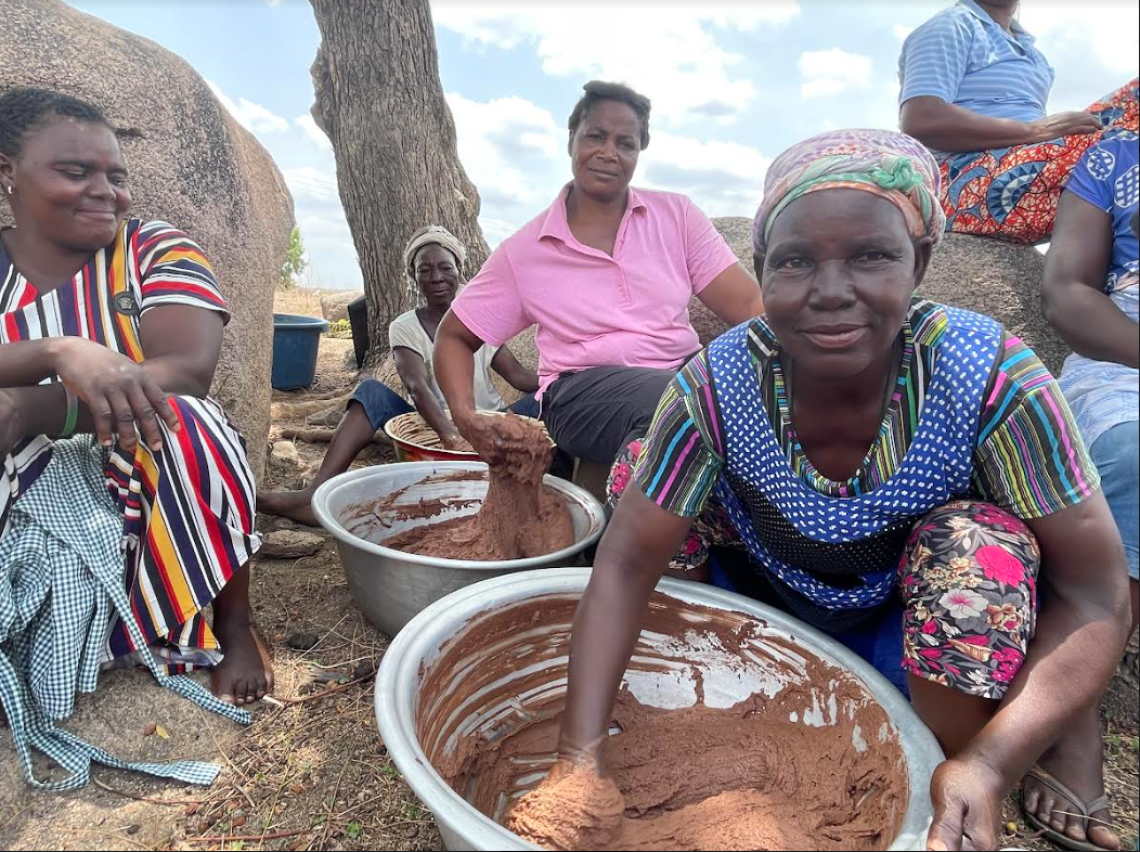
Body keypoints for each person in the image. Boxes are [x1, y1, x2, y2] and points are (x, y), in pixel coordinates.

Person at [550, 130, 1131, 852]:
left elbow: (1096, 595)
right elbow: (628, 563)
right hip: (767, 595)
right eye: (795, 261)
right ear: (762, 271)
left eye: (870, 256)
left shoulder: (990, 377)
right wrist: (578, 757)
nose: (830, 292)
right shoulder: (715, 383)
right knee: (642, 466)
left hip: (910, 616)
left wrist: (985, 767)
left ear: (919, 260)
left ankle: (952, 758)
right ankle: (712, 686)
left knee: (977, 549)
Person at [1, 88, 272, 785]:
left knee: (193, 422)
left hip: (136, 471)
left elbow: (186, 371)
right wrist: (57, 351)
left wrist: (37, 411)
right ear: (7, 171)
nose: (106, 192)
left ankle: (233, 622)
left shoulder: (152, 248)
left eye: (116, 175)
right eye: (75, 172)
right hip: (20, 483)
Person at [434, 80, 764, 470]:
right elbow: (454, 336)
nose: (609, 153)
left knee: (756, 399)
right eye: (596, 136)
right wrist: (466, 417)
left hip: (681, 372)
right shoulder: (525, 251)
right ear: (572, 138)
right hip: (580, 393)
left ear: (639, 151)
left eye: (625, 143)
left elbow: (747, 304)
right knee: (679, 403)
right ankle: (637, 524)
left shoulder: (677, 217)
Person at [259, 226, 539, 527]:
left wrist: (562, 375)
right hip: (428, 424)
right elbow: (416, 387)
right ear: (413, 277)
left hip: (487, 420)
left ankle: (538, 492)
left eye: (445, 267)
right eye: (424, 270)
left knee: (555, 395)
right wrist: (451, 436)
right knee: (371, 394)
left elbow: (519, 377)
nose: (436, 277)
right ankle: (316, 495)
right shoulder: (405, 327)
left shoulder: (480, 320)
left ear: (459, 270)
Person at [1041, 138, 1139, 849]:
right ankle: (1077, 716)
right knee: (1130, 449)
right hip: (1126, 352)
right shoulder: (1117, 158)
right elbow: (1068, 289)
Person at [899, 0, 1138, 244]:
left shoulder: (1030, 50)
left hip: (1018, 162)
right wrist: (1034, 130)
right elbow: (922, 118)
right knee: (1122, 144)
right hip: (965, 181)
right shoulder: (951, 26)